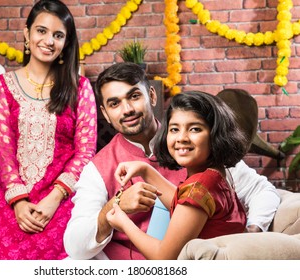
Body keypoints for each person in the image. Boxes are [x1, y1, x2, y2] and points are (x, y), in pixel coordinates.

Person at [63, 62, 280, 260]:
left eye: (134, 96)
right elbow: (75, 245)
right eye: (114, 103)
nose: (127, 109)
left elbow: (263, 192)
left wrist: (251, 236)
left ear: (152, 96)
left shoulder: (198, 151)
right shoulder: (97, 168)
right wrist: (115, 206)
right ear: (106, 114)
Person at [0, 0, 97, 260]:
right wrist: (18, 202)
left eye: (58, 35)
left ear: (66, 43)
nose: (49, 40)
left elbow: (85, 152)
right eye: (41, 31)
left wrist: (54, 199)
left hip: (64, 203)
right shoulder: (3, 85)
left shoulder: (79, 88)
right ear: (27, 34)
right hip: (14, 206)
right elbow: (4, 152)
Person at [106, 90, 248, 259]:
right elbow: (184, 204)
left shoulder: (200, 187)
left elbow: (163, 258)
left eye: (195, 129)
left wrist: (124, 224)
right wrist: (145, 170)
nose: (182, 138)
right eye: (174, 129)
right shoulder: (215, 175)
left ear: (215, 134)